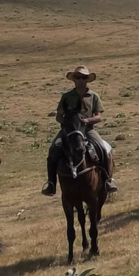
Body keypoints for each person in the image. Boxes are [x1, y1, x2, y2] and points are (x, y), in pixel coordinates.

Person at [43, 65, 117, 196]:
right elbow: (59, 116)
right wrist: (69, 124)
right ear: (74, 80)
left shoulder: (94, 96)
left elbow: (99, 116)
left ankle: (107, 180)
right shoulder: (66, 96)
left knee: (103, 148)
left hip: (88, 131)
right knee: (53, 149)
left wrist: (87, 121)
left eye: (83, 77)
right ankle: (51, 183)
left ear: (87, 80)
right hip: (69, 131)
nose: (80, 80)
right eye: (78, 77)